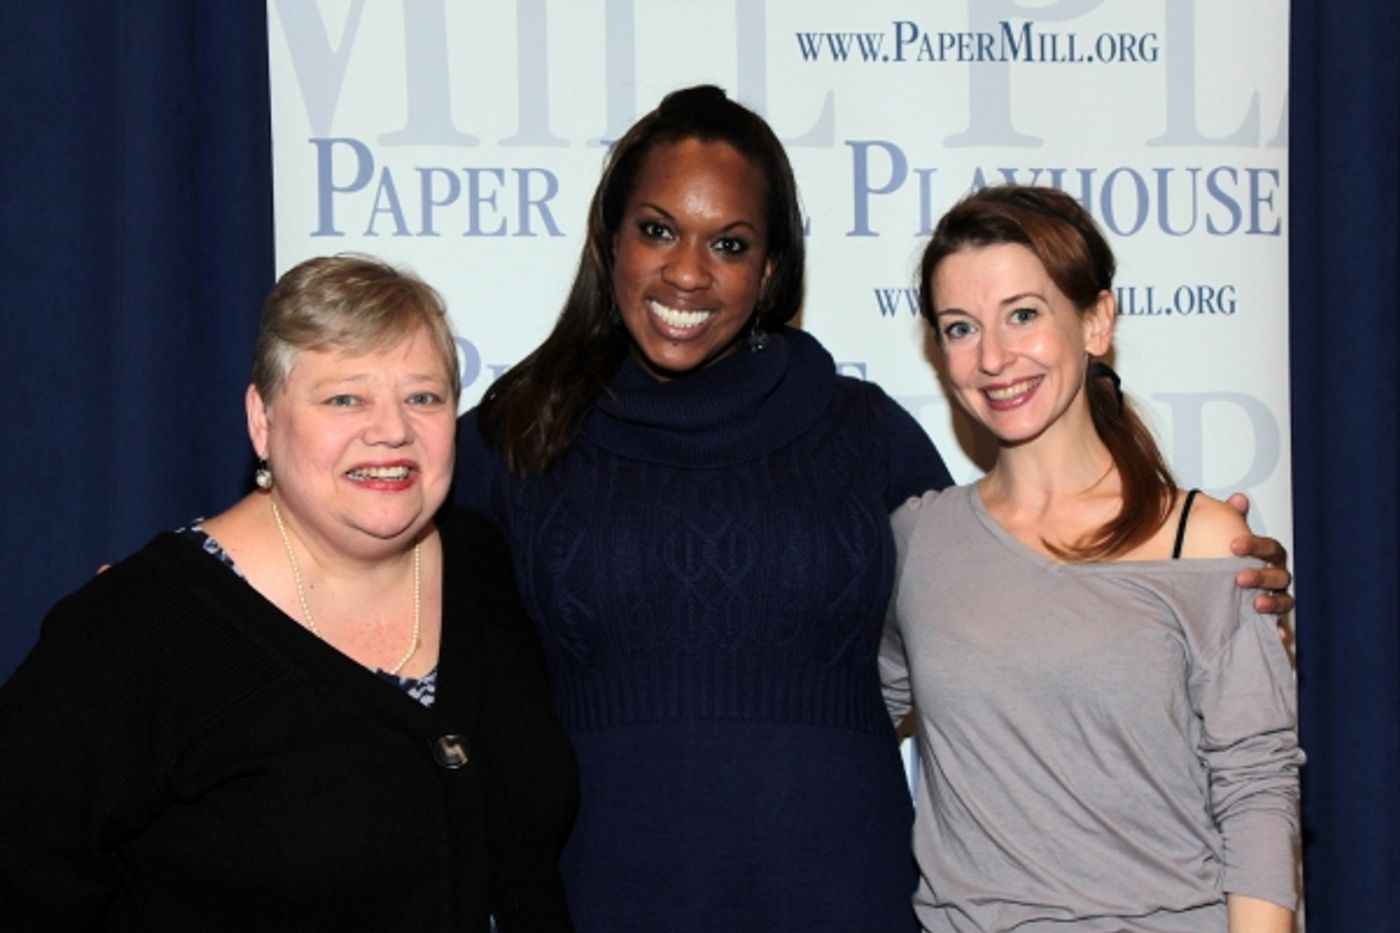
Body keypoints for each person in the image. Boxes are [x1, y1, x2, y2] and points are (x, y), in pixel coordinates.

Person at [456, 87, 1294, 932]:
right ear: (611, 239)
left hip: (843, 892)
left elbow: (1007, 616)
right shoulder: (518, 434)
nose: (687, 269)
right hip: (601, 891)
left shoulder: (861, 434)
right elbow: (378, 583)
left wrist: (1221, 592)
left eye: (731, 242)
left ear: (772, 269)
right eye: (658, 228)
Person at [0, 255, 577, 931]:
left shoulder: (484, 564)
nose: (392, 430)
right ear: (263, 421)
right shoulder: (140, 625)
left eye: (423, 396)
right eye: (343, 398)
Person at [882, 185, 1302, 931]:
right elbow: (839, 714)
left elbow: (1258, 792)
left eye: (1023, 314)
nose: (993, 357)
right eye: (959, 327)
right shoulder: (920, 541)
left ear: (1096, 320)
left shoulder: (1203, 540)